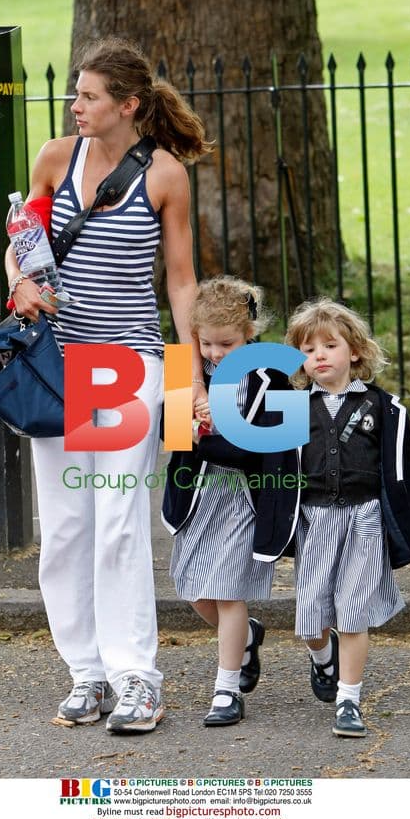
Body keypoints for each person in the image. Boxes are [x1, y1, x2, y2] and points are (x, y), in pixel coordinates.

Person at [5, 36, 211, 734]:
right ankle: (86, 673)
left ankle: (136, 680)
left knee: (118, 521)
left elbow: (180, 282)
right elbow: (23, 234)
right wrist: (19, 279)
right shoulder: (54, 158)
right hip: (54, 366)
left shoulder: (164, 177)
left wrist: (192, 376)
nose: (75, 105)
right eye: (74, 94)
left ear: (127, 104)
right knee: (65, 528)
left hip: (126, 364)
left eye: (89, 96)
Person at [162, 277, 301, 726]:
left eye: (228, 344)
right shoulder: (189, 373)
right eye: (207, 344)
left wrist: (212, 433)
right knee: (196, 592)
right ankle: (246, 638)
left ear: (251, 335)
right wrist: (186, 416)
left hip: (245, 501)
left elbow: (267, 450)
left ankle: (226, 690)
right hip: (199, 497)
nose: (217, 353)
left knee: (227, 593)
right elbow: (174, 438)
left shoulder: (273, 379)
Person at [285, 298, 410, 737]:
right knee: (311, 619)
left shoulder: (382, 407)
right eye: (308, 349)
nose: (319, 356)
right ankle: (322, 657)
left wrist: (400, 526)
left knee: (353, 613)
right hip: (314, 518)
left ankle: (349, 700)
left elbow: (403, 471)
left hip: (364, 518)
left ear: (355, 352)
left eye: (329, 345)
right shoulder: (291, 408)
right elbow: (277, 469)